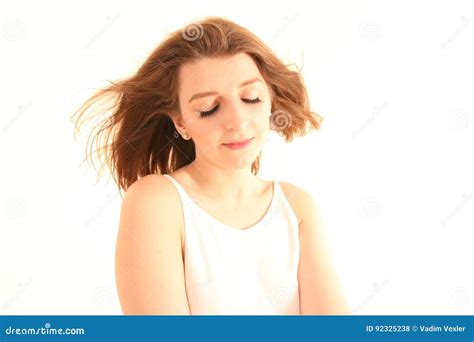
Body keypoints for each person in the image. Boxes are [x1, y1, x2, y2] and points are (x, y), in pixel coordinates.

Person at [72, 16, 349, 315]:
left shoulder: (297, 208)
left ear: (270, 100)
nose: (237, 121)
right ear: (180, 122)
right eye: (209, 109)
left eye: (251, 98)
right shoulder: (157, 202)